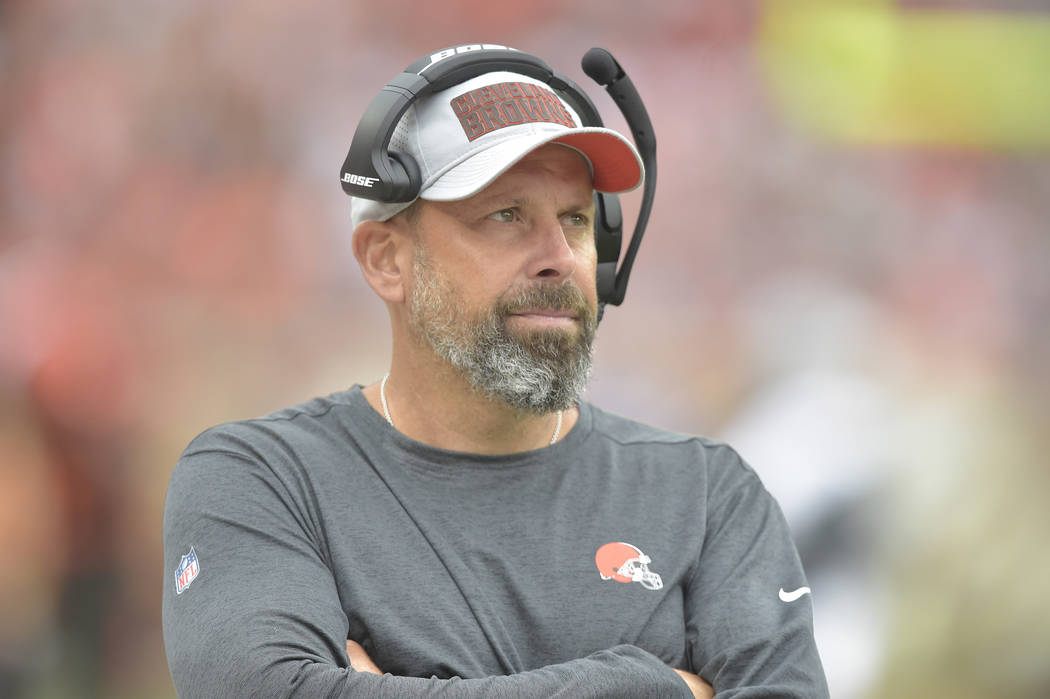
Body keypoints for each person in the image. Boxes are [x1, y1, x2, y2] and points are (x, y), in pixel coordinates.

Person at [162, 47, 829, 698]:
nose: (559, 257)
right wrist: (646, 682)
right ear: (387, 259)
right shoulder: (261, 479)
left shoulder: (708, 495)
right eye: (505, 215)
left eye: (574, 218)